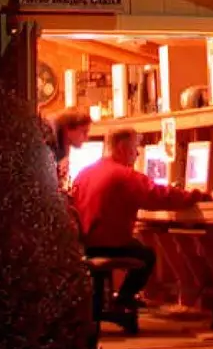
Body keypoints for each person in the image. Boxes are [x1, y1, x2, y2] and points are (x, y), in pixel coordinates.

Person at [70, 126, 202, 311]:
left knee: (139, 245)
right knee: (147, 255)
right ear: (123, 148)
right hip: (110, 244)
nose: (137, 154)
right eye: (134, 149)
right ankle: (124, 299)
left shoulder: (84, 173)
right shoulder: (124, 175)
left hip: (85, 244)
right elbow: (159, 196)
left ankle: (112, 301)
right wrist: (197, 196)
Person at [50, 108, 92, 192]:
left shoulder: (62, 146)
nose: (87, 138)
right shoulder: (49, 151)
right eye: (84, 132)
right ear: (68, 129)